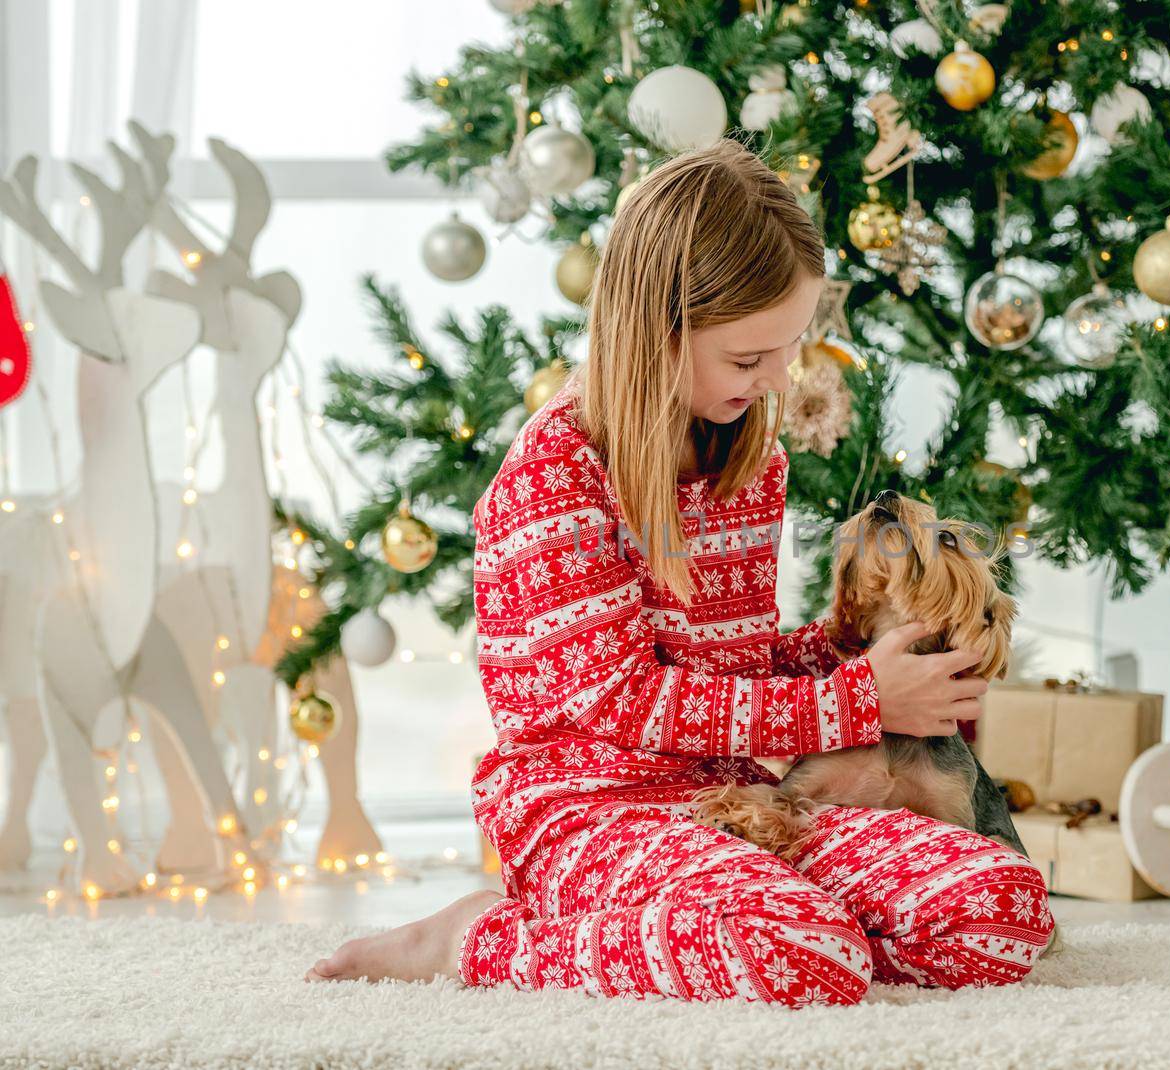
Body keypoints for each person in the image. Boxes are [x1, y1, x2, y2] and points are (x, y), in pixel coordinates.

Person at [305, 140, 1054, 1006]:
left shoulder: (746, 458)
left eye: (787, 349)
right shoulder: (556, 472)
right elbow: (624, 698)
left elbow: (720, 672)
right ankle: (473, 939)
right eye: (748, 358)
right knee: (806, 952)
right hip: (586, 810)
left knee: (998, 905)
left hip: (729, 800)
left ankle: (714, 933)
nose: (777, 376)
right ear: (659, 331)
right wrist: (856, 701)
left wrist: (857, 651)